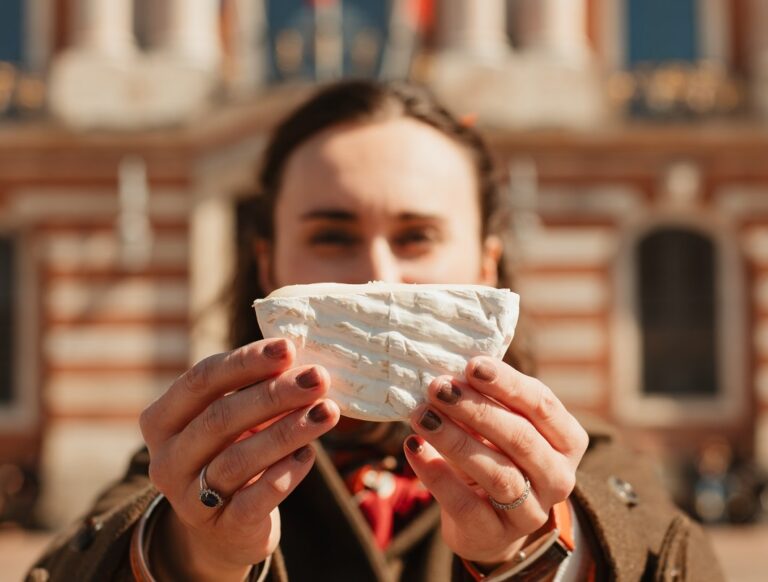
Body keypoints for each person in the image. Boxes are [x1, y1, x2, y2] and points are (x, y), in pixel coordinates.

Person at [29, 80, 724, 581]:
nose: (377, 275)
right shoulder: (186, 469)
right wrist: (191, 558)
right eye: (332, 235)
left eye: (417, 236)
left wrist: (547, 557)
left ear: (485, 262)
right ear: (268, 260)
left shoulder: (588, 466)